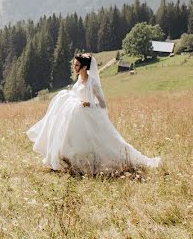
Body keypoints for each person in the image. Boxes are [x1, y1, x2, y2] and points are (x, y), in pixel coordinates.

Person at [26, 53, 160, 175]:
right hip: (74, 116)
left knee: (98, 144)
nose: (74, 67)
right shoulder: (79, 80)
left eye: (77, 65)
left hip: (87, 116)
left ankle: (96, 166)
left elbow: (102, 103)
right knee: (71, 141)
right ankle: (70, 165)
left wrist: (89, 104)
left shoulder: (92, 83)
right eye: (74, 65)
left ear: (84, 67)